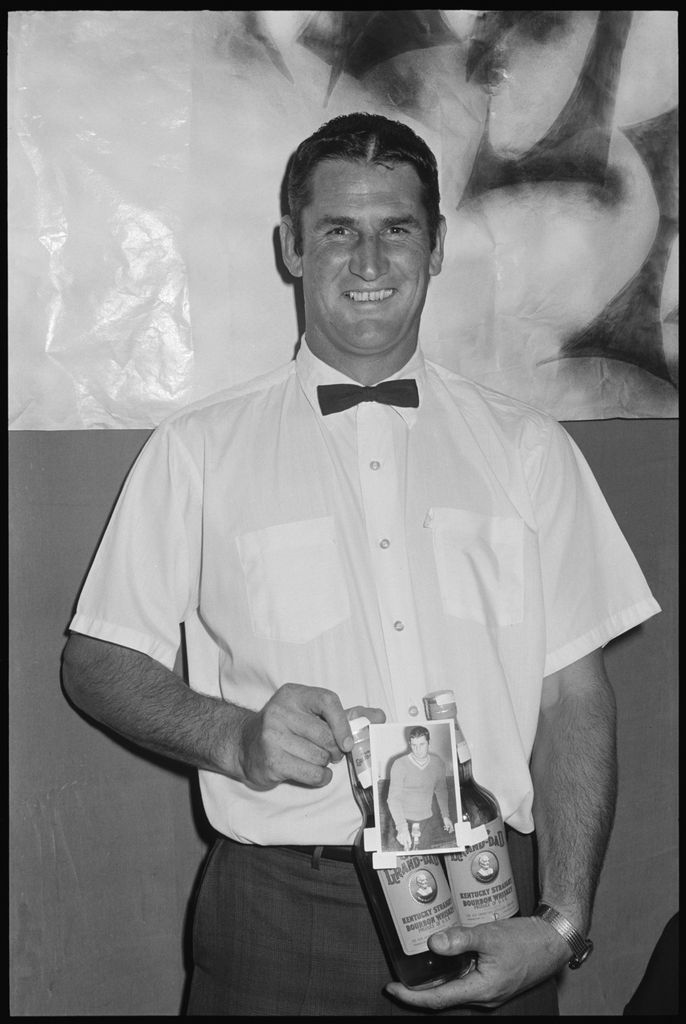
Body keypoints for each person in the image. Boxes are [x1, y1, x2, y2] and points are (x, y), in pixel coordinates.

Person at [61, 111, 660, 1016]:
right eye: (339, 230)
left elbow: (573, 697)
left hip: (494, 898)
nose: (370, 261)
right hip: (282, 914)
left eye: (397, 229)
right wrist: (234, 737)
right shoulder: (197, 449)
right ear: (291, 247)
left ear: (437, 245)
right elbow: (96, 660)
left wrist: (562, 920)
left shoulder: (530, 449)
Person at [386, 726, 454, 850]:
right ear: (409, 744)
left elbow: (441, 791)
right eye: (414, 745)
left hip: (426, 821)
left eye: (422, 744)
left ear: (429, 742)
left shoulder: (438, 763)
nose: (418, 750)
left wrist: (445, 816)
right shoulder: (399, 764)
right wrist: (402, 828)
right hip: (401, 820)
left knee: (424, 857)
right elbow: (393, 799)